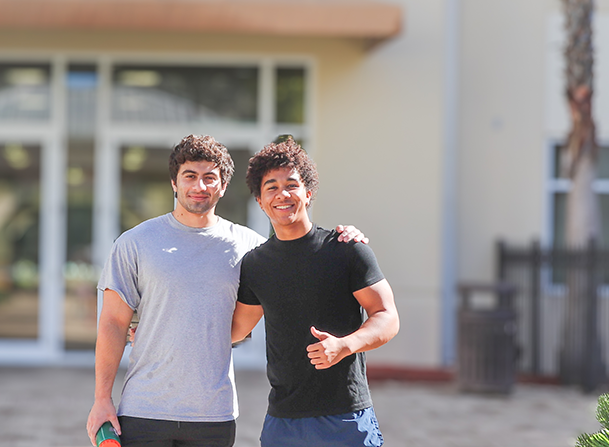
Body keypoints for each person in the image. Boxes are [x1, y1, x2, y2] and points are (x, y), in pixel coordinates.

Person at [86, 135, 364, 447]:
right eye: (190, 176)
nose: (199, 186)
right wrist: (101, 399)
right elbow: (112, 322)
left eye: (209, 178)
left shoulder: (251, 247)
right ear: (174, 183)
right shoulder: (134, 243)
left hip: (213, 416)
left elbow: (298, 256)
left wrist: (343, 237)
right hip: (143, 410)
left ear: (223, 186)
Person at [230, 137, 399, 447]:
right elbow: (234, 331)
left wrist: (345, 345)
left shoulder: (346, 250)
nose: (282, 194)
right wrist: (149, 328)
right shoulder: (255, 264)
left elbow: (387, 317)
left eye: (291, 185)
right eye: (271, 187)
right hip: (282, 423)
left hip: (345, 417)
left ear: (307, 194)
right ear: (260, 201)